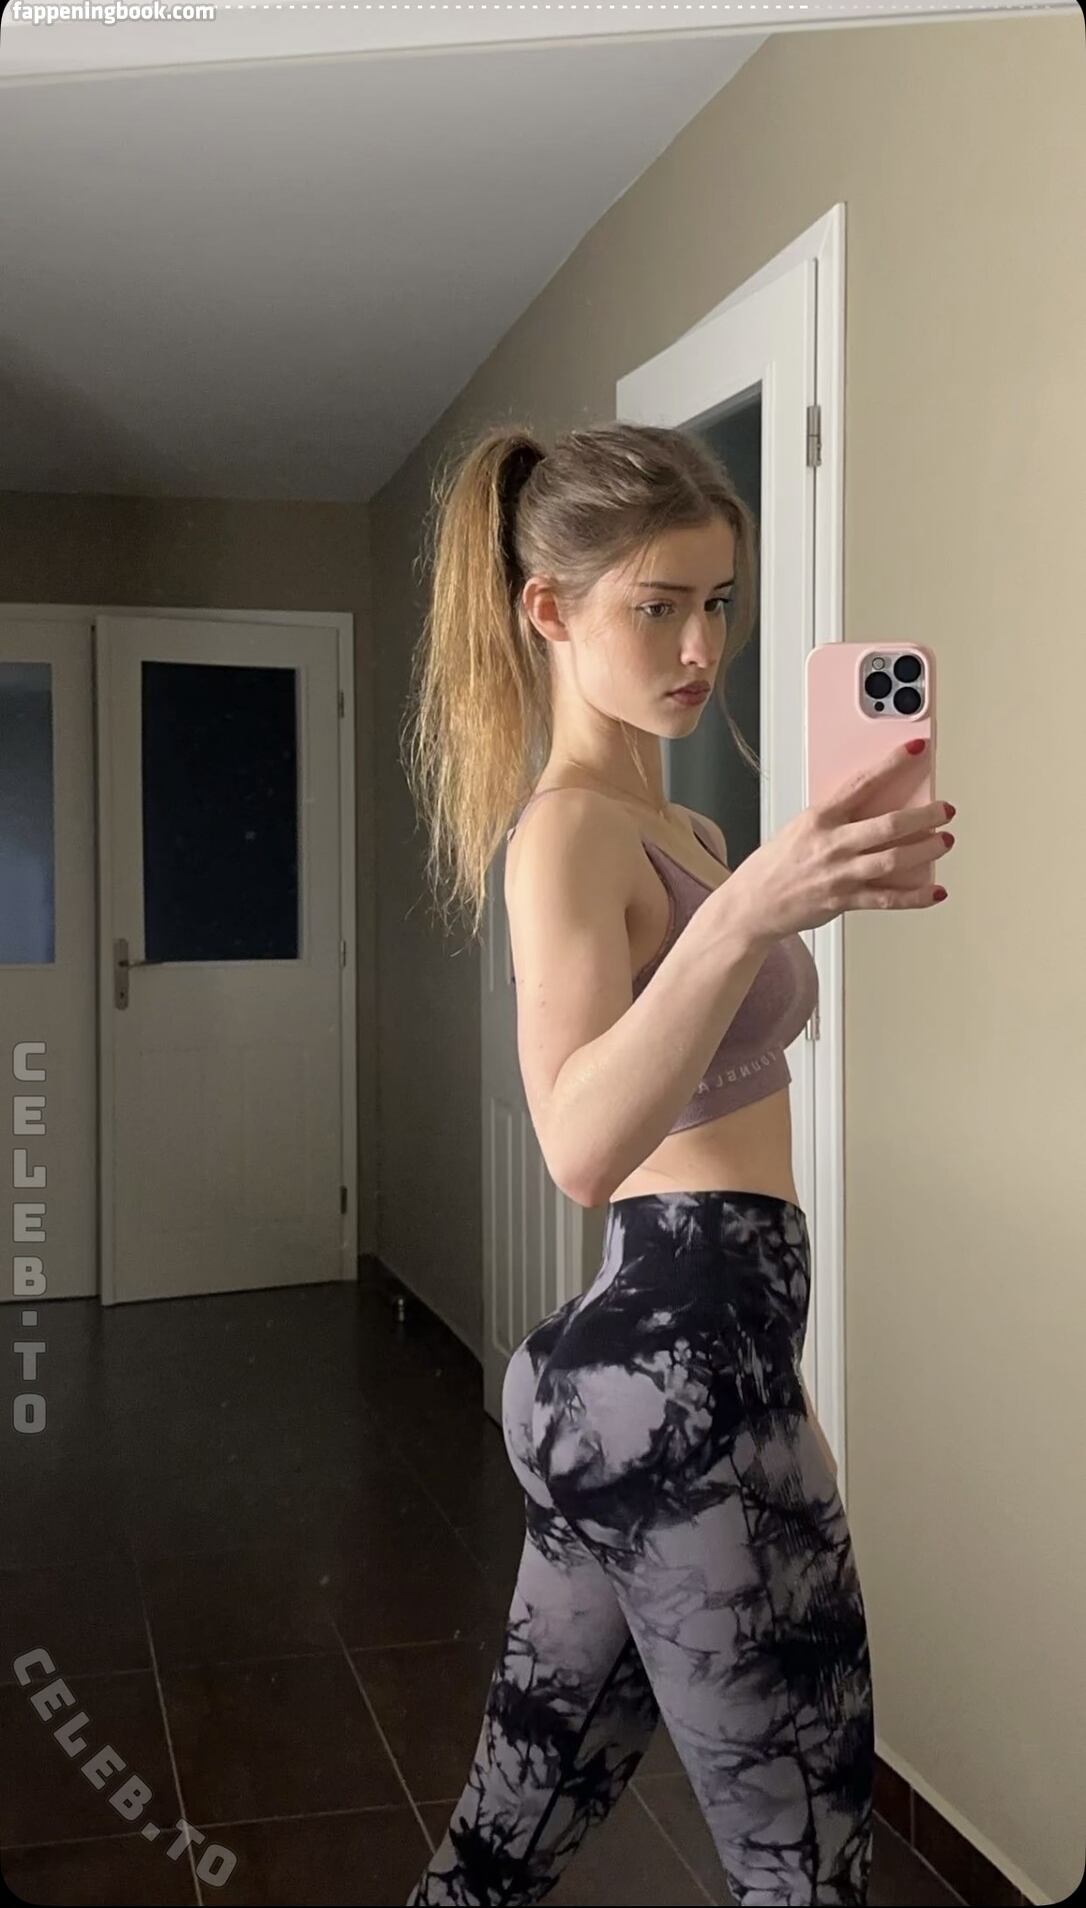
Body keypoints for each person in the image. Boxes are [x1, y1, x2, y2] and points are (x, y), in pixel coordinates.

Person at [399, 421, 954, 1906]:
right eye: (657, 606)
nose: (701, 645)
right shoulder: (566, 834)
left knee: (505, 1845)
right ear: (549, 609)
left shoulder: (683, 825)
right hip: (672, 1376)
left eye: (718, 601)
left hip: (686, 1376)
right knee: (808, 1863)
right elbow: (581, 1145)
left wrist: (781, 1399)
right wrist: (749, 913)